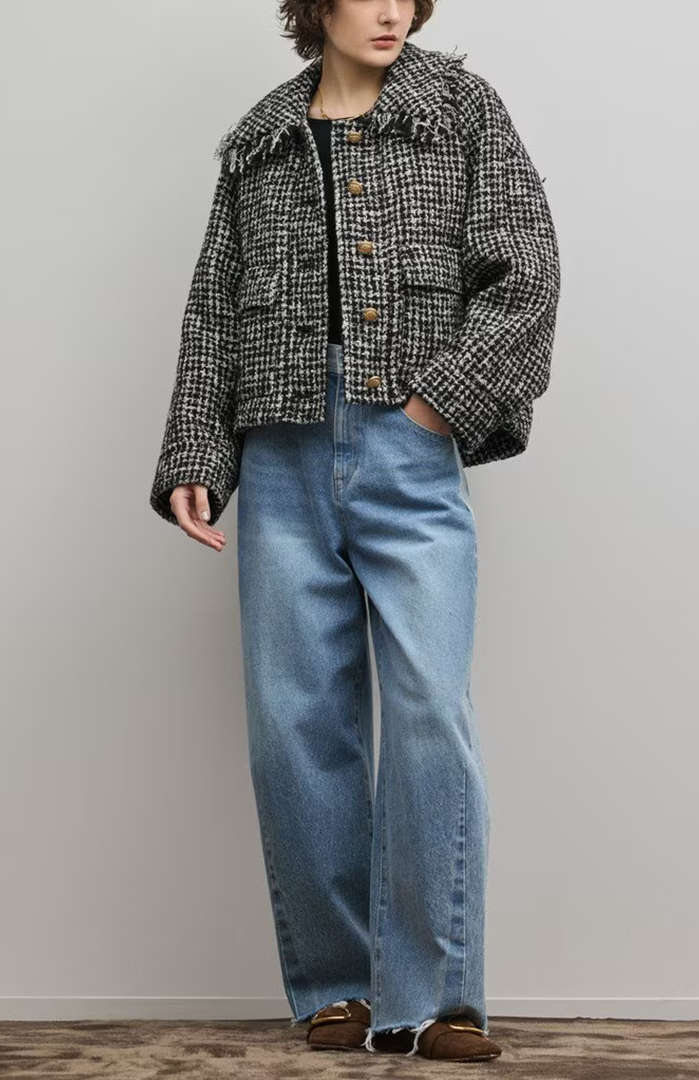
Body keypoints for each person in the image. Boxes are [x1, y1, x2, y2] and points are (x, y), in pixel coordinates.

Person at [149, 0, 561, 1062]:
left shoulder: (460, 109)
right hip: (280, 450)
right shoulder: (262, 139)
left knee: (428, 711)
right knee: (297, 724)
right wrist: (197, 453)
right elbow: (215, 307)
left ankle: (439, 997)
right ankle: (337, 987)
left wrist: (436, 407)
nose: (390, 10)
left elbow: (527, 270)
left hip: (407, 444)